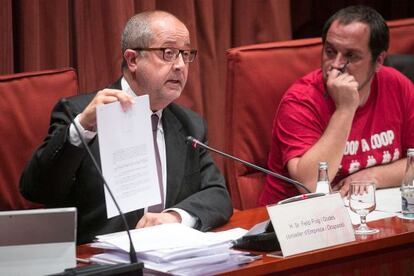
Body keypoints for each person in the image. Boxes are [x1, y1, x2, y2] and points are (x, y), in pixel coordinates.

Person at [20, 10, 233, 244]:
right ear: (132, 60)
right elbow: (36, 190)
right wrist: (82, 128)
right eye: (168, 53)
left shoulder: (189, 124)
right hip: (99, 261)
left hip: (168, 258)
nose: (181, 65)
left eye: (185, 54)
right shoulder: (80, 115)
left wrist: (174, 217)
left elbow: (218, 195)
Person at [259, 5, 414, 205]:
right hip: (301, 223)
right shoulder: (300, 100)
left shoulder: (396, 85)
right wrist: (345, 109)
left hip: (373, 213)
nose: (336, 64)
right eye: (330, 51)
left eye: (351, 56)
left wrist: (373, 177)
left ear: (378, 60)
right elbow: (312, 185)